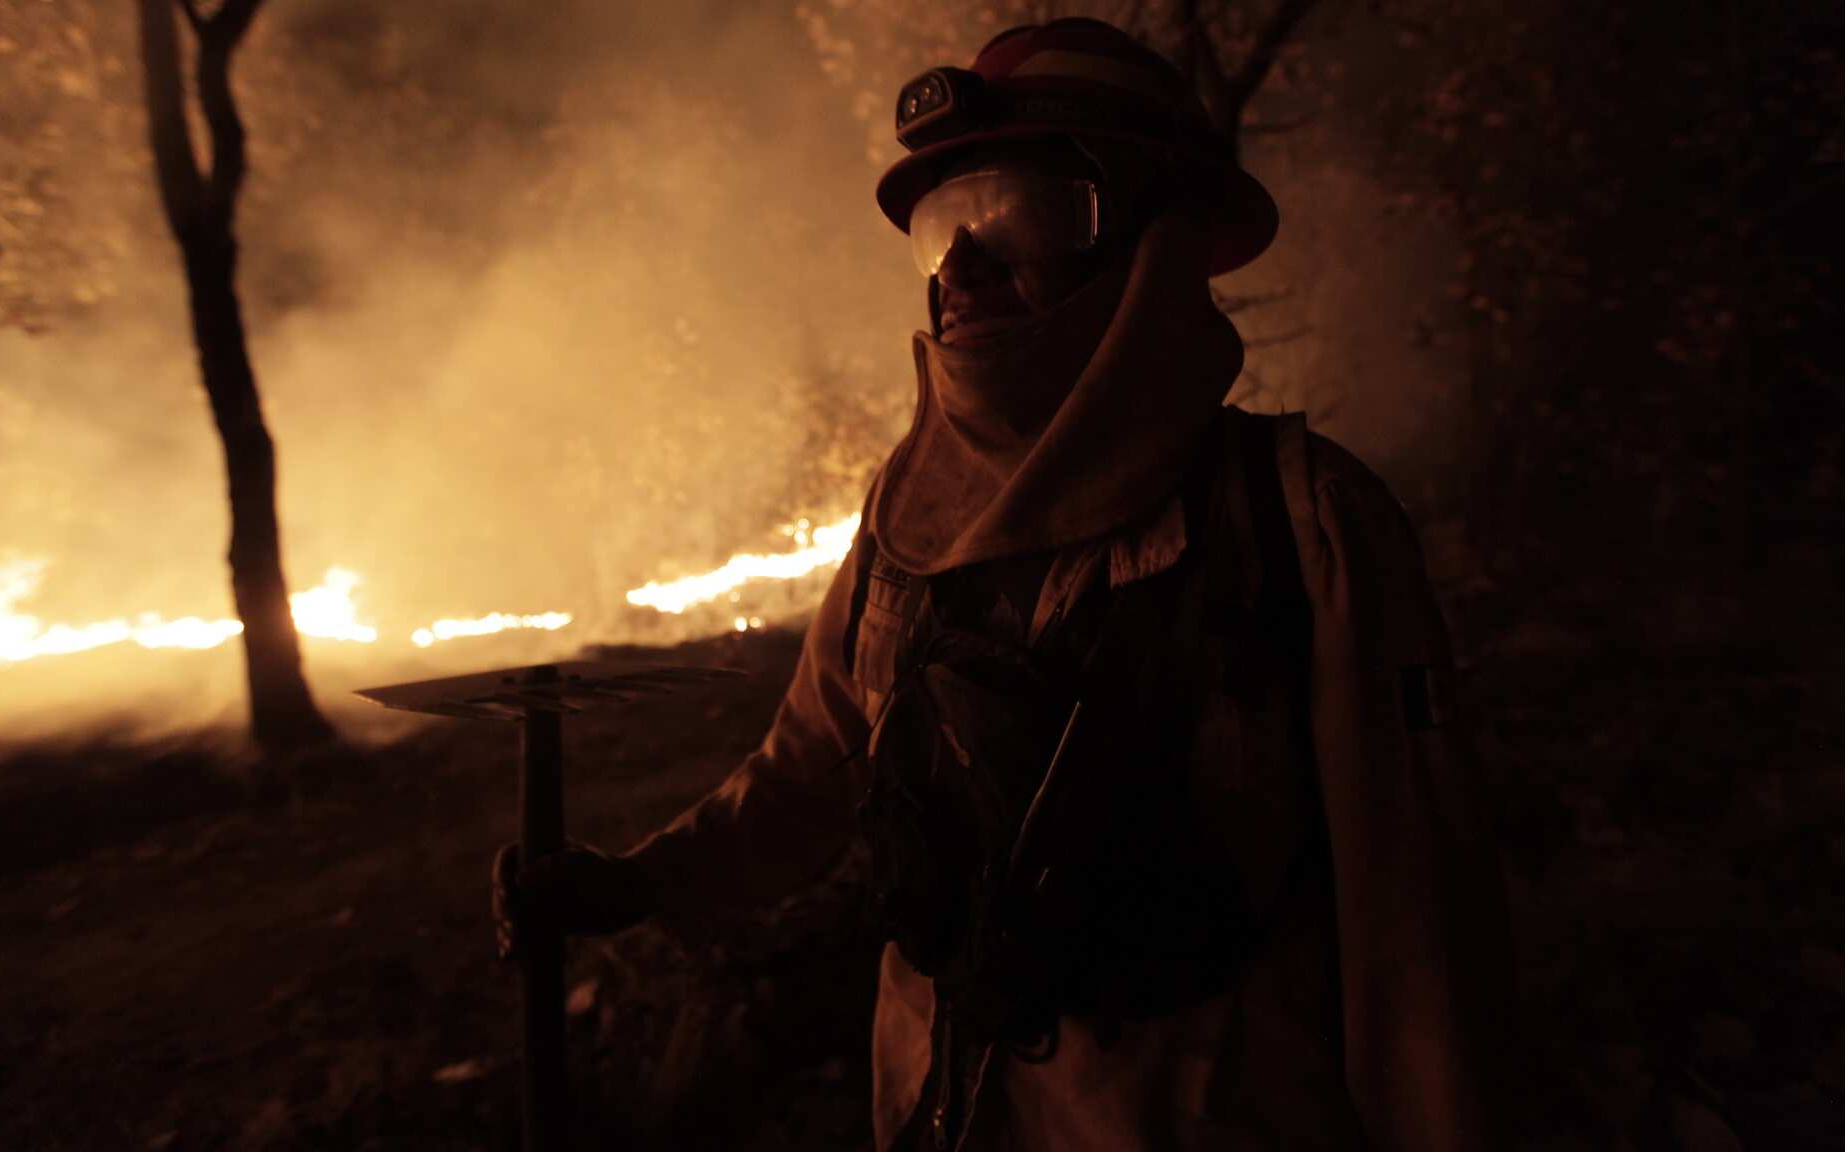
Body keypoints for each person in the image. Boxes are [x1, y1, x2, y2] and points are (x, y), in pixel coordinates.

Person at [495, 17, 1512, 1151]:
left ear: (1146, 242)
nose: (961, 264)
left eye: (1016, 209)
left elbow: (1411, 929)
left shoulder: (1298, 521)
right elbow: (806, 775)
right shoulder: (904, 525)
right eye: (939, 226)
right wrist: (635, 885)